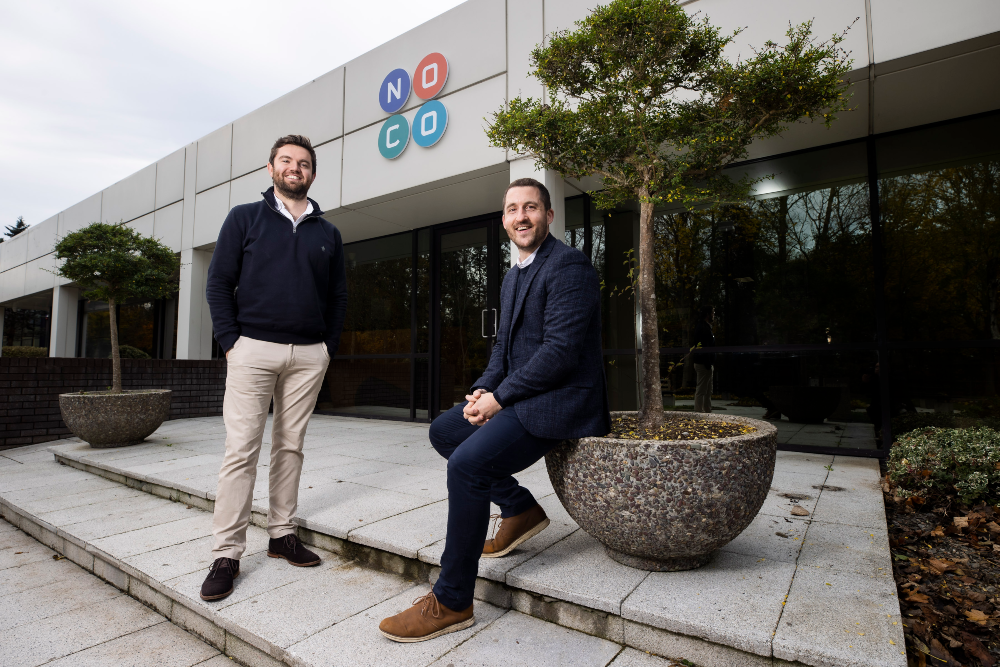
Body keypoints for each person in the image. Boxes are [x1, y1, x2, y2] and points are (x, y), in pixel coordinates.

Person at [378, 177, 610, 642]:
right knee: (446, 431)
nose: (521, 216)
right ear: (504, 219)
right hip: (523, 396)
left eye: (531, 207)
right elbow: (503, 349)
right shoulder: (514, 274)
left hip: (561, 400)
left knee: (467, 465)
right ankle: (520, 509)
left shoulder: (570, 267)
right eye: (512, 209)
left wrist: (499, 399)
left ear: (548, 215)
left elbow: (560, 353)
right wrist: (482, 389)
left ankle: (452, 599)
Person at [199, 135, 347, 601]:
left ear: (313, 174)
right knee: (241, 449)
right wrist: (231, 344)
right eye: (286, 161)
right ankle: (227, 553)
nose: (295, 168)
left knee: (290, 446)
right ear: (271, 169)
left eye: (303, 163)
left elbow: (338, 296)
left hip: (308, 355)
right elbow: (219, 282)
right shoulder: (245, 217)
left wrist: (327, 347)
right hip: (252, 349)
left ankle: (282, 534)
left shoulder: (328, 232)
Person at [692, 305, 715, 413]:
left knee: (707, 389)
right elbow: (703, 346)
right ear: (707, 315)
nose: (713, 315)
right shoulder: (703, 328)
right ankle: (699, 412)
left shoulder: (704, 327)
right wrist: (707, 363)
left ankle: (706, 410)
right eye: (712, 313)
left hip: (706, 363)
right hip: (703, 363)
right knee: (702, 389)